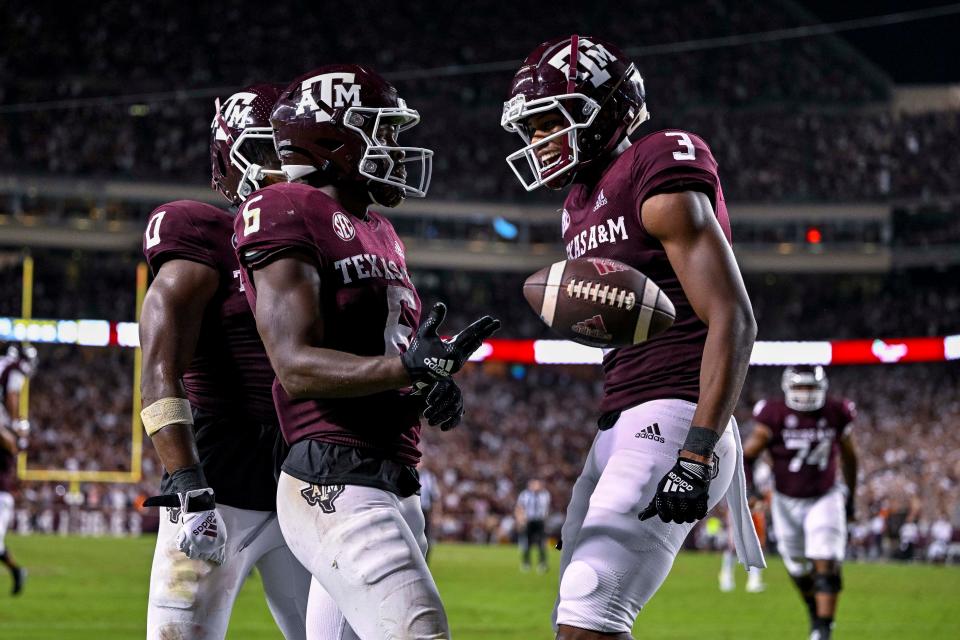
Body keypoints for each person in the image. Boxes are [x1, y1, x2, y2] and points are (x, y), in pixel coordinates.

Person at [501, 35, 764, 639]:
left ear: (604, 108)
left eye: (549, 122)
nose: (539, 141)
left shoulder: (657, 162)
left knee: (592, 609)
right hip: (617, 418)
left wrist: (697, 450)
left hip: (674, 414)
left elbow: (734, 318)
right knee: (574, 617)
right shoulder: (575, 203)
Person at [233, 64, 500, 640]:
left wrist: (428, 384)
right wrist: (405, 367)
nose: (398, 149)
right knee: (417, 629)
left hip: (395, 476)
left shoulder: (379, 230)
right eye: (384, 131)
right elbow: (295, 365)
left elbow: (382, 355)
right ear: (334, 141)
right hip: (333, 473)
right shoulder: (286, 207)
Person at [139, 83, 310, 639]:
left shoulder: (318, 241)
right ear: (226, 169)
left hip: (305, 474)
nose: (279, 168)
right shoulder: (204, 235)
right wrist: (189, 483)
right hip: (220, 477)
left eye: (287, 151)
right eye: (262, 153)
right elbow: (159, 369)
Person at [742, 365, 858, 640]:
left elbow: (851, 457)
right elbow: (747, 456)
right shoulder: (774, 414)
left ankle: (823, 629)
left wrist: (851, 497)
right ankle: (815, 613)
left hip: (824, 496)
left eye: (811, 387)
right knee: (797, 567)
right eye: (800, 387)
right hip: (785, 501)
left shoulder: (835, 411)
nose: (806, 394)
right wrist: (751, 491)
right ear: (788, 389)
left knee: (825, 560)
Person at [0, 344, 36, 595]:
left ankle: (16, 571)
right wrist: (16, 426)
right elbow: (12, 393)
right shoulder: (14, 369)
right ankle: (16, 571)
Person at [516, 478, 550, 573]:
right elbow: (519, 508)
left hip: (539, 521)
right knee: (526, 543)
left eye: (537, 484)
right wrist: (520, 520)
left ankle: (542, 563)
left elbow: (546, 510)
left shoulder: (545, 494)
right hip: (528, 521)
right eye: (534, 484)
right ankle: (526, 563)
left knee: (541, 543)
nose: (536, 487)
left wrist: (545, 521)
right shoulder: (524, 495)